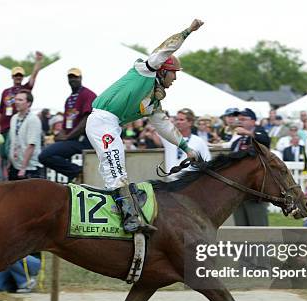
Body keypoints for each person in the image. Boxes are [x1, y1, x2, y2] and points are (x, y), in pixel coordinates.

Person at [85, 19, 204, 233]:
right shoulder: (145, 70)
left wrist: (187, 149)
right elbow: (164, 50)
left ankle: (123, 209)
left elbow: (165, 127)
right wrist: (188, 31)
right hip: (102, 120)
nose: (175, 78)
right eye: (173, 72)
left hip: (110, 125)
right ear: (161, 70)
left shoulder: (154, 103)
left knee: (115, 166)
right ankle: (129, 217)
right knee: (116, 166)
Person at [38, 68, 97, 181]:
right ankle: (76, 174)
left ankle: (79, 172)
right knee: (44, 155)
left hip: (84, 140)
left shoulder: (88, 94)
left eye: (75, 77)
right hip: (73, 140)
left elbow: (87, 120)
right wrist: (58, 136)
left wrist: (67, 137)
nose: (73, 79)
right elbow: (66, 126)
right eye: (70, 77)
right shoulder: (69, 99)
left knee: (45, 156)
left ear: (80, 78)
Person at [227, 109, 271, 226]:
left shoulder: (259, 133)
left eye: (243, 119)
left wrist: (249, 133)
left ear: (253, 121)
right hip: (239, 189)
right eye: (239, 119)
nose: (240, 122)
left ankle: (261, 245)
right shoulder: (237, 142)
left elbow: (265, 140)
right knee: (241, 226)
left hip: (254, 189)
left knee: (258, 225)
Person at [0, 53, 44, 158]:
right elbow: (0, 110)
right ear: (12, 76)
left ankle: (10, 171)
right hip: (4, 126)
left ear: (22, 77)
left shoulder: (25, 89)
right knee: (2, 153)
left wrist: (38, 61)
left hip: (16, 125)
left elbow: (33, 76)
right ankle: (5, 173)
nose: (18, 77)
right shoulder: (5, 92)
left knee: (10, 152)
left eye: (20, 75)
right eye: (16, 75)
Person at [153, 109, 211, 180]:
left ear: (190, 122)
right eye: (176, 119)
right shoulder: (168, 138)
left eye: (181, 120)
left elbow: (207, 161)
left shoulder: (199, 141)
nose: (177, 122)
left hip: (189, 183)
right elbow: (155, 130)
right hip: (170, 183)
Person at [7, 90, 44, 180]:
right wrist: (10, 163)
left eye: (20, 100)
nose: (16, 102)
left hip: (29, 168)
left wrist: (23, 168)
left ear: (28, 103)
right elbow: (13, 142)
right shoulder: (14, 118)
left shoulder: (33, 119)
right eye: (15, 99)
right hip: (15, 165)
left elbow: (31, 145)